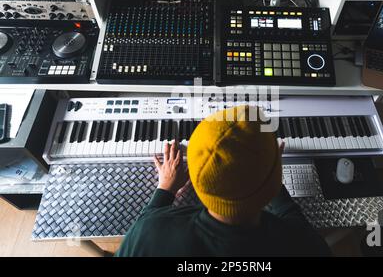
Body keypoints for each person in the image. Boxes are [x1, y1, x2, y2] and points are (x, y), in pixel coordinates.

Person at [116, 105, 331, 256]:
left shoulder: (150, 232)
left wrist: (165, 188)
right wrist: (266, 167)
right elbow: (290, 214)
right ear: (273, 181)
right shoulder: (302, 243)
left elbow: (148, 218)